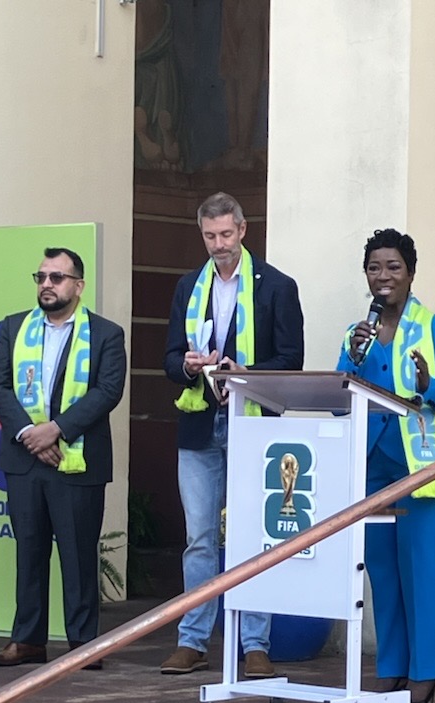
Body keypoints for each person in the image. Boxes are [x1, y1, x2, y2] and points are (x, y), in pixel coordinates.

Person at [161, 191, 304, 677]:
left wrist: (246, 374)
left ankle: (255, 645)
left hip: (254, 425)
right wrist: (186, 365)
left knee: (251, 536)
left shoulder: (277, 286)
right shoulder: (189, 285)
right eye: (210, 236)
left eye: (226, 234)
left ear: (243, 230)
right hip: (199, 424)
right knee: (199, 538)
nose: (219, 244)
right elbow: (169, 358)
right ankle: (192, 640)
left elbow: (292, 360)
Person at [336, 228, 435, 703]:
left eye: (393, 267)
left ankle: (424, 675)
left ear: (411, 273)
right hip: (375, 469)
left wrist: (429, 386)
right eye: (374, 267)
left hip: (427, 470)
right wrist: (350, 359)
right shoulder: (358, 335)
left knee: (421, 572)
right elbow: (339, 400)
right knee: (383, 572)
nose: (383, 276)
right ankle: (391, 668)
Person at [0, 248, 127, 668]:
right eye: (42, 277)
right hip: (25, 458)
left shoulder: (106, 334)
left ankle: (82, 645)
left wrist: (57, 429)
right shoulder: (14, 328)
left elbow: (108, 390)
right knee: (29, 552)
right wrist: (30, 434)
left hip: (77, 460)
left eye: (57, 277)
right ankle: (27, 640)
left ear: (78, 286)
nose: (47, 284)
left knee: (78, 555)